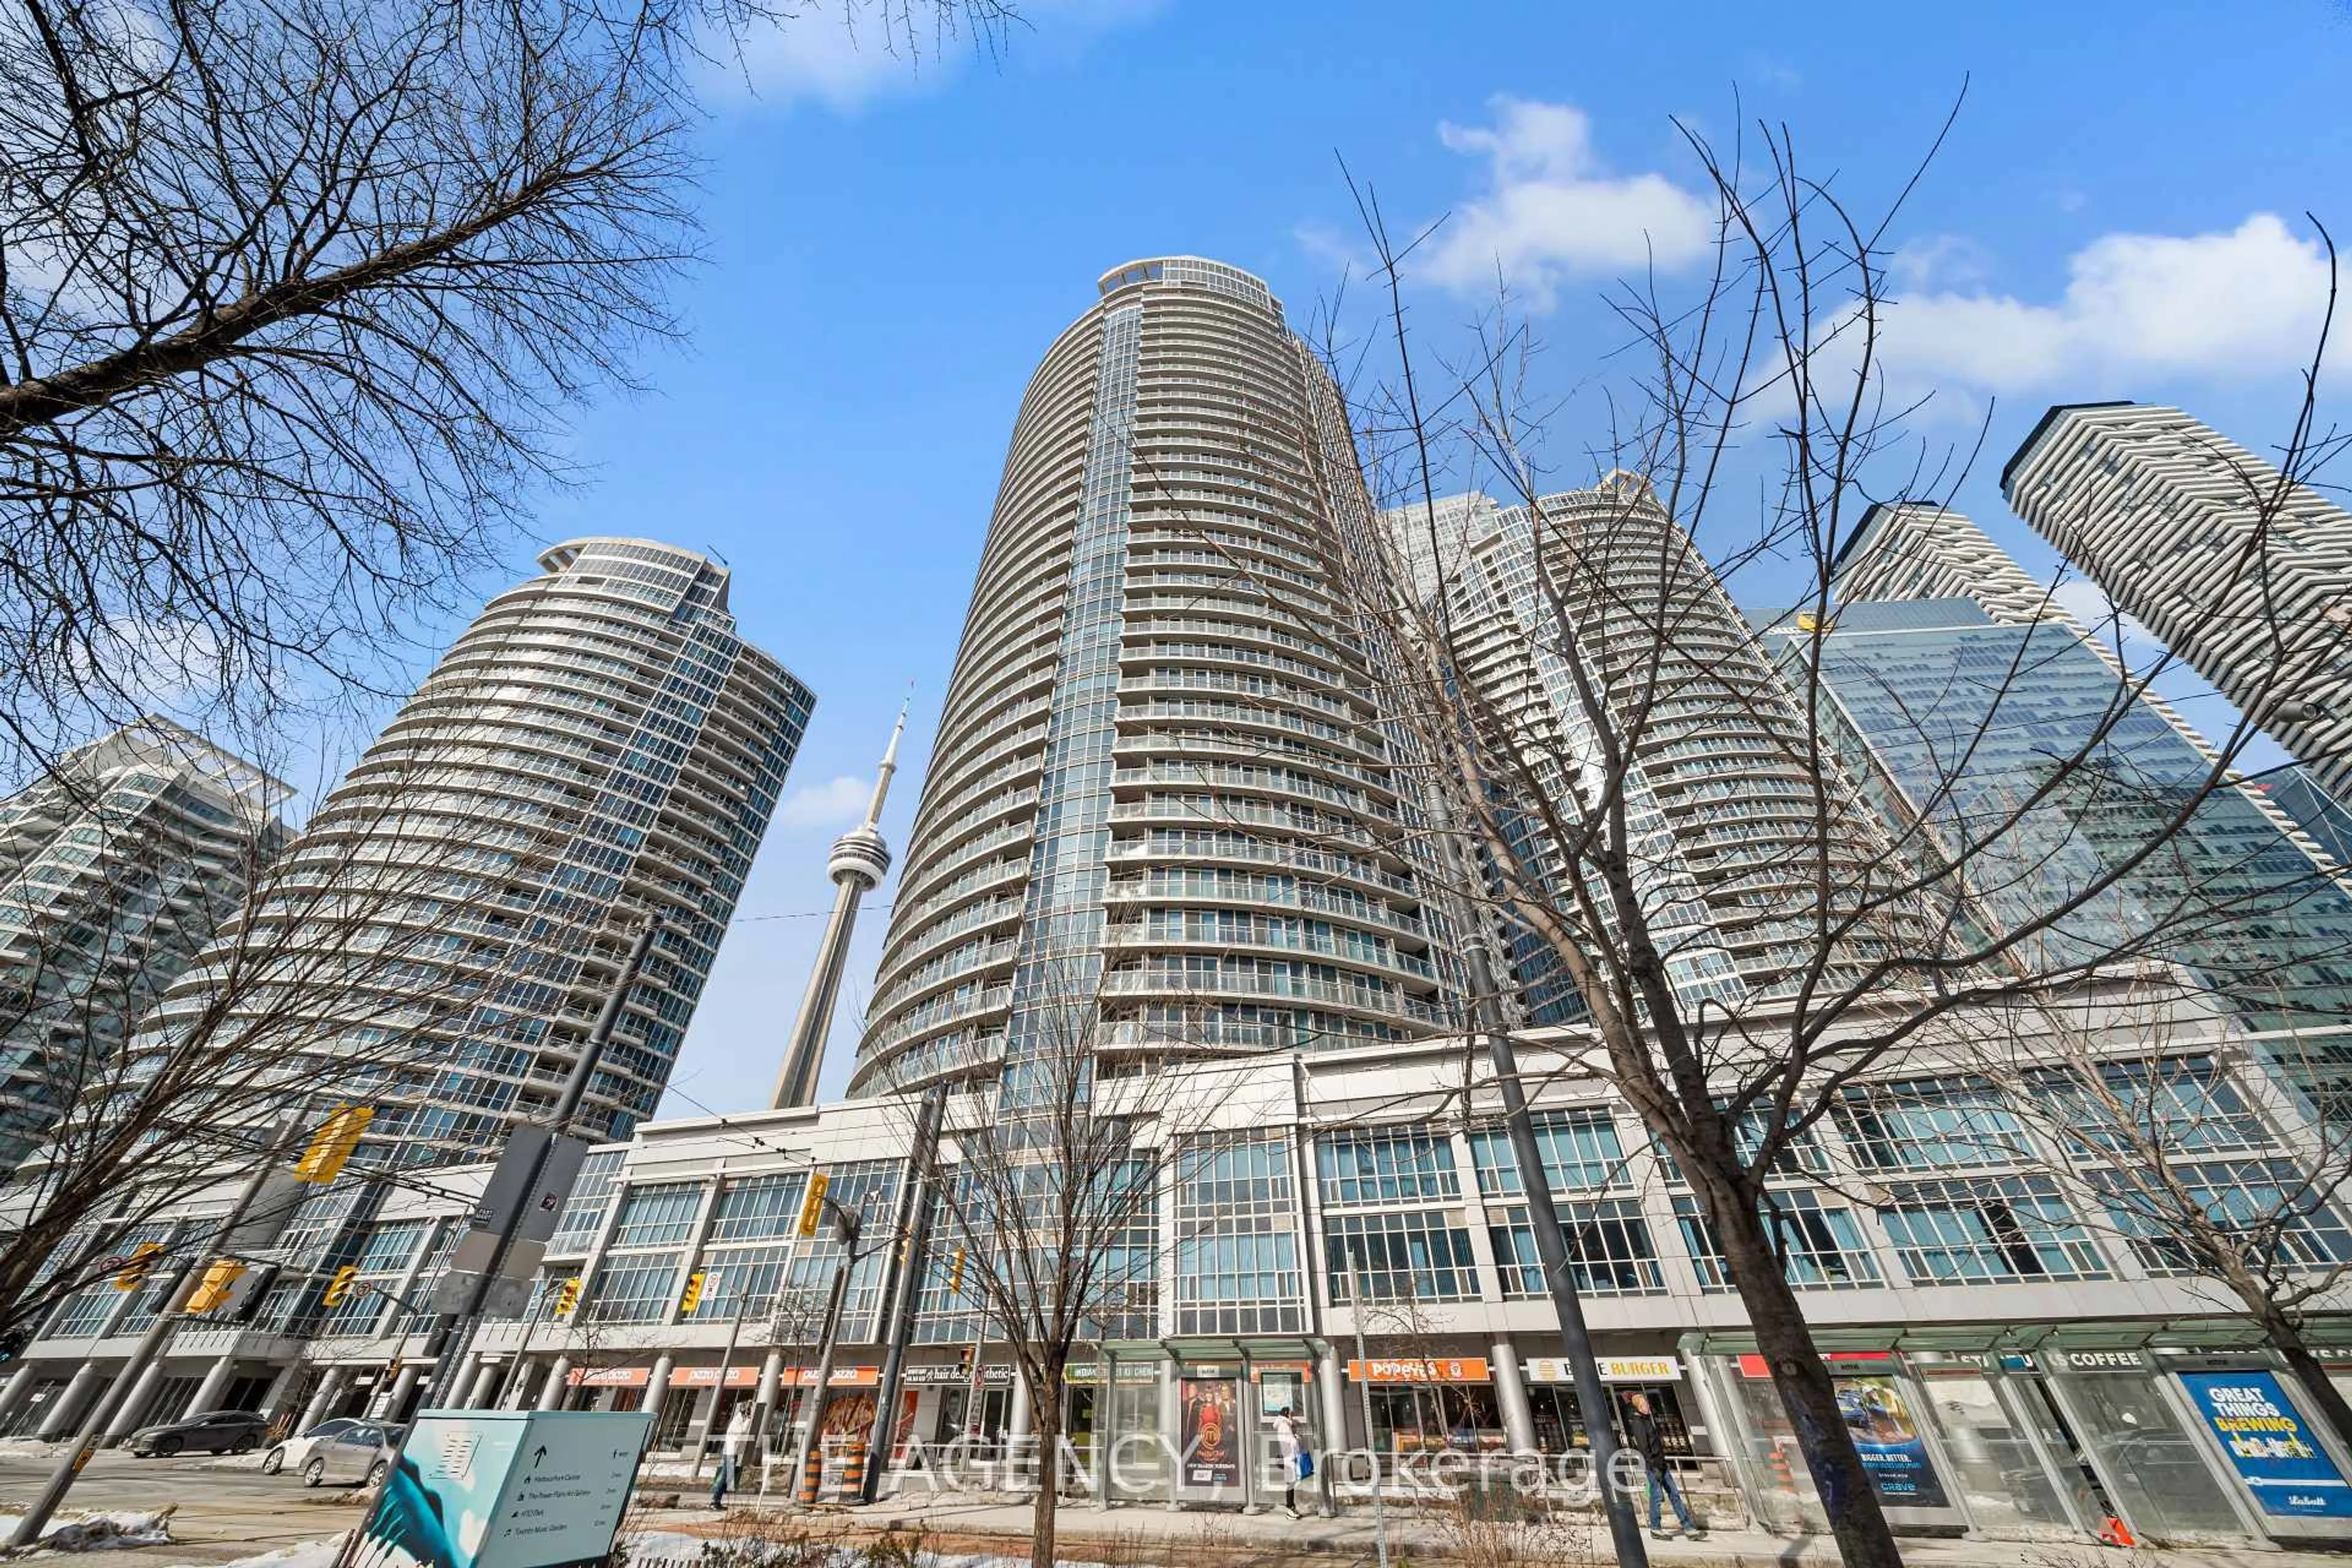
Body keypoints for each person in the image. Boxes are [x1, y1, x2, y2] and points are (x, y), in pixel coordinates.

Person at [1624, 1392, 1701, 1540]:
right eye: (1643, 1404)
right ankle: (1656, 1528)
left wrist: (1662, 1463)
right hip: (1654, 1467)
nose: (1647, 1406)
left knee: (1674, 1495)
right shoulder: (1639, 1423)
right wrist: (1654, 1467)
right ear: (1638, 1407)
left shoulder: (1647, 1420)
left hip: (1662, 1464)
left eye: (1646, 1404)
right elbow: (1644, 1448)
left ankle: (1688, 1527)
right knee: (1657, 1497)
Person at [711, 1401, 752, 1509]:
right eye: (747, 1412)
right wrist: (748, 1420)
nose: (747, 1414)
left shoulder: (738, 1420)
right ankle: (715, 1501)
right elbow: (741, 1432)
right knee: (724, 1478)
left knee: (727, 1478)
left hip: (732, 1453)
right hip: (730, 1453)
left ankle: (717, 1501)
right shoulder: (737, 1422)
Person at [1270, 1406, 1306, 1520]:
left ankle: (1292, 1508)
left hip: (1287, 1457)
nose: (1292, 1416)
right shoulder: (1285, 1426)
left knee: (1291, 1483)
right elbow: (1292, 1443)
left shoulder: (1283, 1424)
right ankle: (1290, 1510)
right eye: (1291, 1414)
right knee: (1291, 1483)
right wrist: (1297, 1438)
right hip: (1289, 1458)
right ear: (1286, 1414)